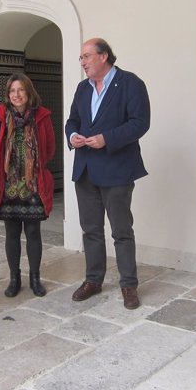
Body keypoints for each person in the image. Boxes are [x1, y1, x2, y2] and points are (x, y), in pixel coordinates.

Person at [65, 38, 150, 310]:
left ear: (103, 56)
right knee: (90, 230)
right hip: (86, 169)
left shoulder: (130, 83)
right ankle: (93, 280)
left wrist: (107, 139)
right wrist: (73, 135)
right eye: (81, 58)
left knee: (121, 231)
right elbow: (72, 121)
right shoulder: (82, 88)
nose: (82, 62)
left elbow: (140, 123)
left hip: (117, 169)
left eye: (86, 56)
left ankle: (129, 285)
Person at [0, 73, 56, 298]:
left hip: (33, 184)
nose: (16, 95)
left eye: (20, 90)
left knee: (33, 231)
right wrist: (0, 168)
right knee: (11, 232)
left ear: (29, 92)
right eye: (12, 91)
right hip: (9, 186)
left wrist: (34, 168)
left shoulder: (42, 116)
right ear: (7, 94)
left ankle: (35, 279)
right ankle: (14, 279)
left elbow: (49, 149)